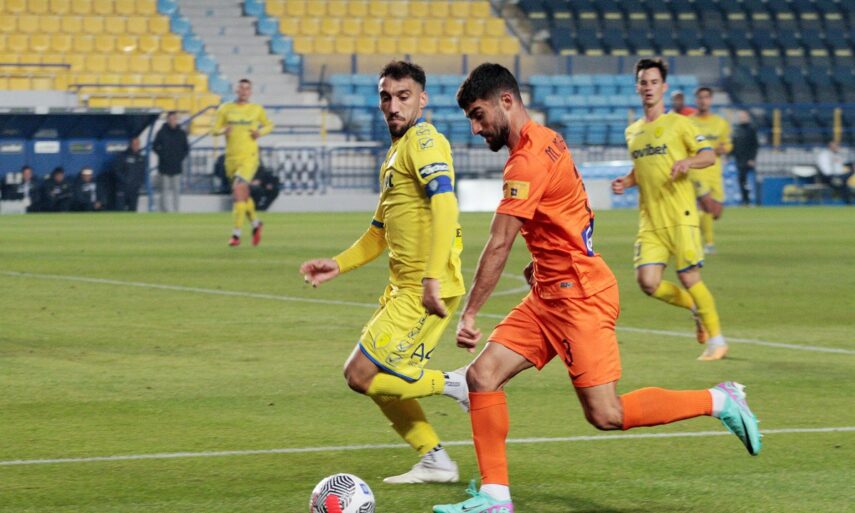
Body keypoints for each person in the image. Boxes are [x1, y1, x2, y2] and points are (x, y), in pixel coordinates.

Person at [433, 63, 761, 513]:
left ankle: (720, 400)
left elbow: (499, 241)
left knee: (607, 414)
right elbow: (575, 208)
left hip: (578, 297)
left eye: (478, 115)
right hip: (550, 290)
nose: (475, 128)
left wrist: (470, 313)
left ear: (505, 101)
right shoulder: (548, 140)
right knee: (481, 376)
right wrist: (545, 259)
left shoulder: (528, 159)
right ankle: (495, 497)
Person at [300, 61, 469, 485]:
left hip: (423, 288)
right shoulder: (395, 153)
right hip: (405, 288)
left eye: (403, 96)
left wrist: (431, 277)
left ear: (422, 99)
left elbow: (446, 202)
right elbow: (378, 232)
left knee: (360, 374)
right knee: (380, 378)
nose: (393, 106)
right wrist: (338, 263)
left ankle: (455, 384)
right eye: (386, 97)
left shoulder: (424, 141)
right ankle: (435, 460)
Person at [612, 58, 728, 361]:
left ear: (663, 87)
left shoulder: (680, 123)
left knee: (690, 277)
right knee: (648, 283)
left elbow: (708, 155)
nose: (648, 87)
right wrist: (627, 181)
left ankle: (717, 341)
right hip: (651, 220)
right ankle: (694, 307)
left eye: (654, 82)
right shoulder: (632, 131)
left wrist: (688, 162)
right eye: (643, 82)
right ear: (637, 88)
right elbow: (642, 169)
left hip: (681, 216)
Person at [212, 78, 273, 246]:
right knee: (243, 196)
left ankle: (236, 235)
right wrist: (223, 131)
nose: (244, 91)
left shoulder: (256, 109)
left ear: (250, 92)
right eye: (241, 88)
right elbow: (213, 130)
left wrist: (259, 132)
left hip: (249, 158)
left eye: (247, 88)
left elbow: (269, 125)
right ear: (236, 90)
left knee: (238, 190)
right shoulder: (225, 109)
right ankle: (256, 224)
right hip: (231, 159)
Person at [690, 87, 731, 253]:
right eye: (700, 97)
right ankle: (709, 243)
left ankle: (691, 225)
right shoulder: (688, 122)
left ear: (711, 100)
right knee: (706, 204)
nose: (703, 101)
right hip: (697, 170)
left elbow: (728, 144)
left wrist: (724, 149)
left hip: (715, 171)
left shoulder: (721, 123)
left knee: (716, 212)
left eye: (706, 97)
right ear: (696, 100)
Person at [152, 111, 190, 212]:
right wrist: (163, 156)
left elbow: (186, 148)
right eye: (171, 119)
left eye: (174, 119)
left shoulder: (181, 133)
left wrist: (179, 158)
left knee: (176, 191)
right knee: (164, 190)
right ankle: (165, 211)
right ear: (167, 120)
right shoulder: (161, 133)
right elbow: (155, 146)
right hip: (164, 167)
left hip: (177, 167)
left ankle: (176, 211)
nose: (173, 121)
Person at [731, 110, 759, 206]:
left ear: (748, 118)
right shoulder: (737, 129)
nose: (742, 119)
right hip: (739, 159)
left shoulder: (751, 129)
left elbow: (755, 145)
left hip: (748, 159)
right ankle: (745, 199)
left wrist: (752, 158)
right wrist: (729, 155)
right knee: (742, 180)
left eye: (744, 117)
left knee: (748, 180)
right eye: (741, 117)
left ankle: (751, 199)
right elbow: (734, 144)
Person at [113, 138, 146, 212]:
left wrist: (140, 183)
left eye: (137, 144)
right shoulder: (122, 156)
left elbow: (143, 172)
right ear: (130, 144)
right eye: (134, 144)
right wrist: (125, 180)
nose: (136, 146)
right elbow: (117, 170)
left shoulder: (141, 158)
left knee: (133, 210)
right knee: (120, 210)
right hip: (122, 188)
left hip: (134, 189)